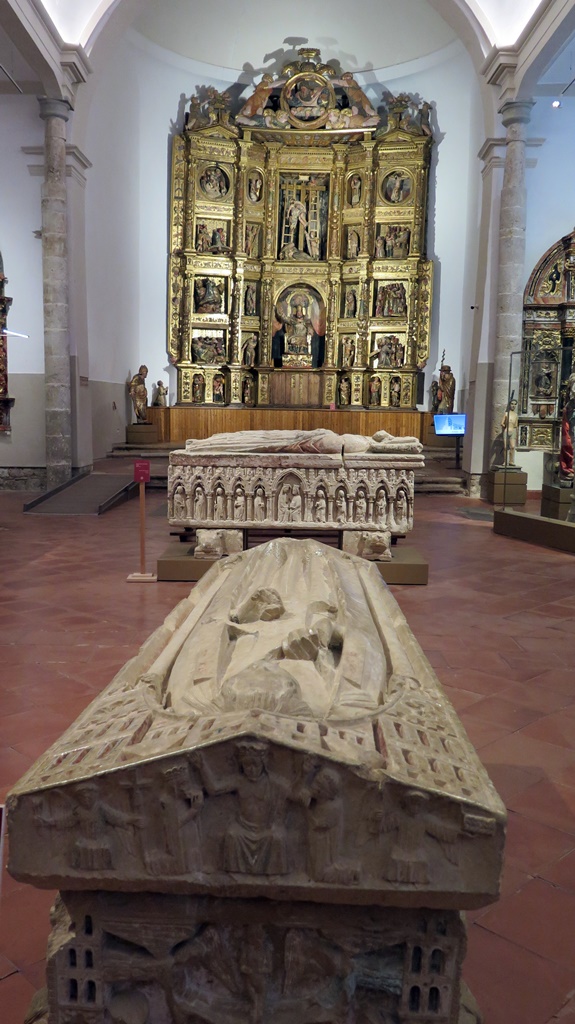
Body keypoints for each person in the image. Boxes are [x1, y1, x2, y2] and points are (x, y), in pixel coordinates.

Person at [501, 399, 519, 467]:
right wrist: (504, 425)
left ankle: (511, 461)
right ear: (509, 405)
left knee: (512, 447)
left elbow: (516, 425)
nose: (513, 405)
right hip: (506, 431)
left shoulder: (516, 415)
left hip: (513, 431)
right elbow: (502, 423)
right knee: (505, 447)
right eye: (512, 404)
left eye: (515, 404)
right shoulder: (506, 414)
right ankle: (505, 461)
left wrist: (516, 434)